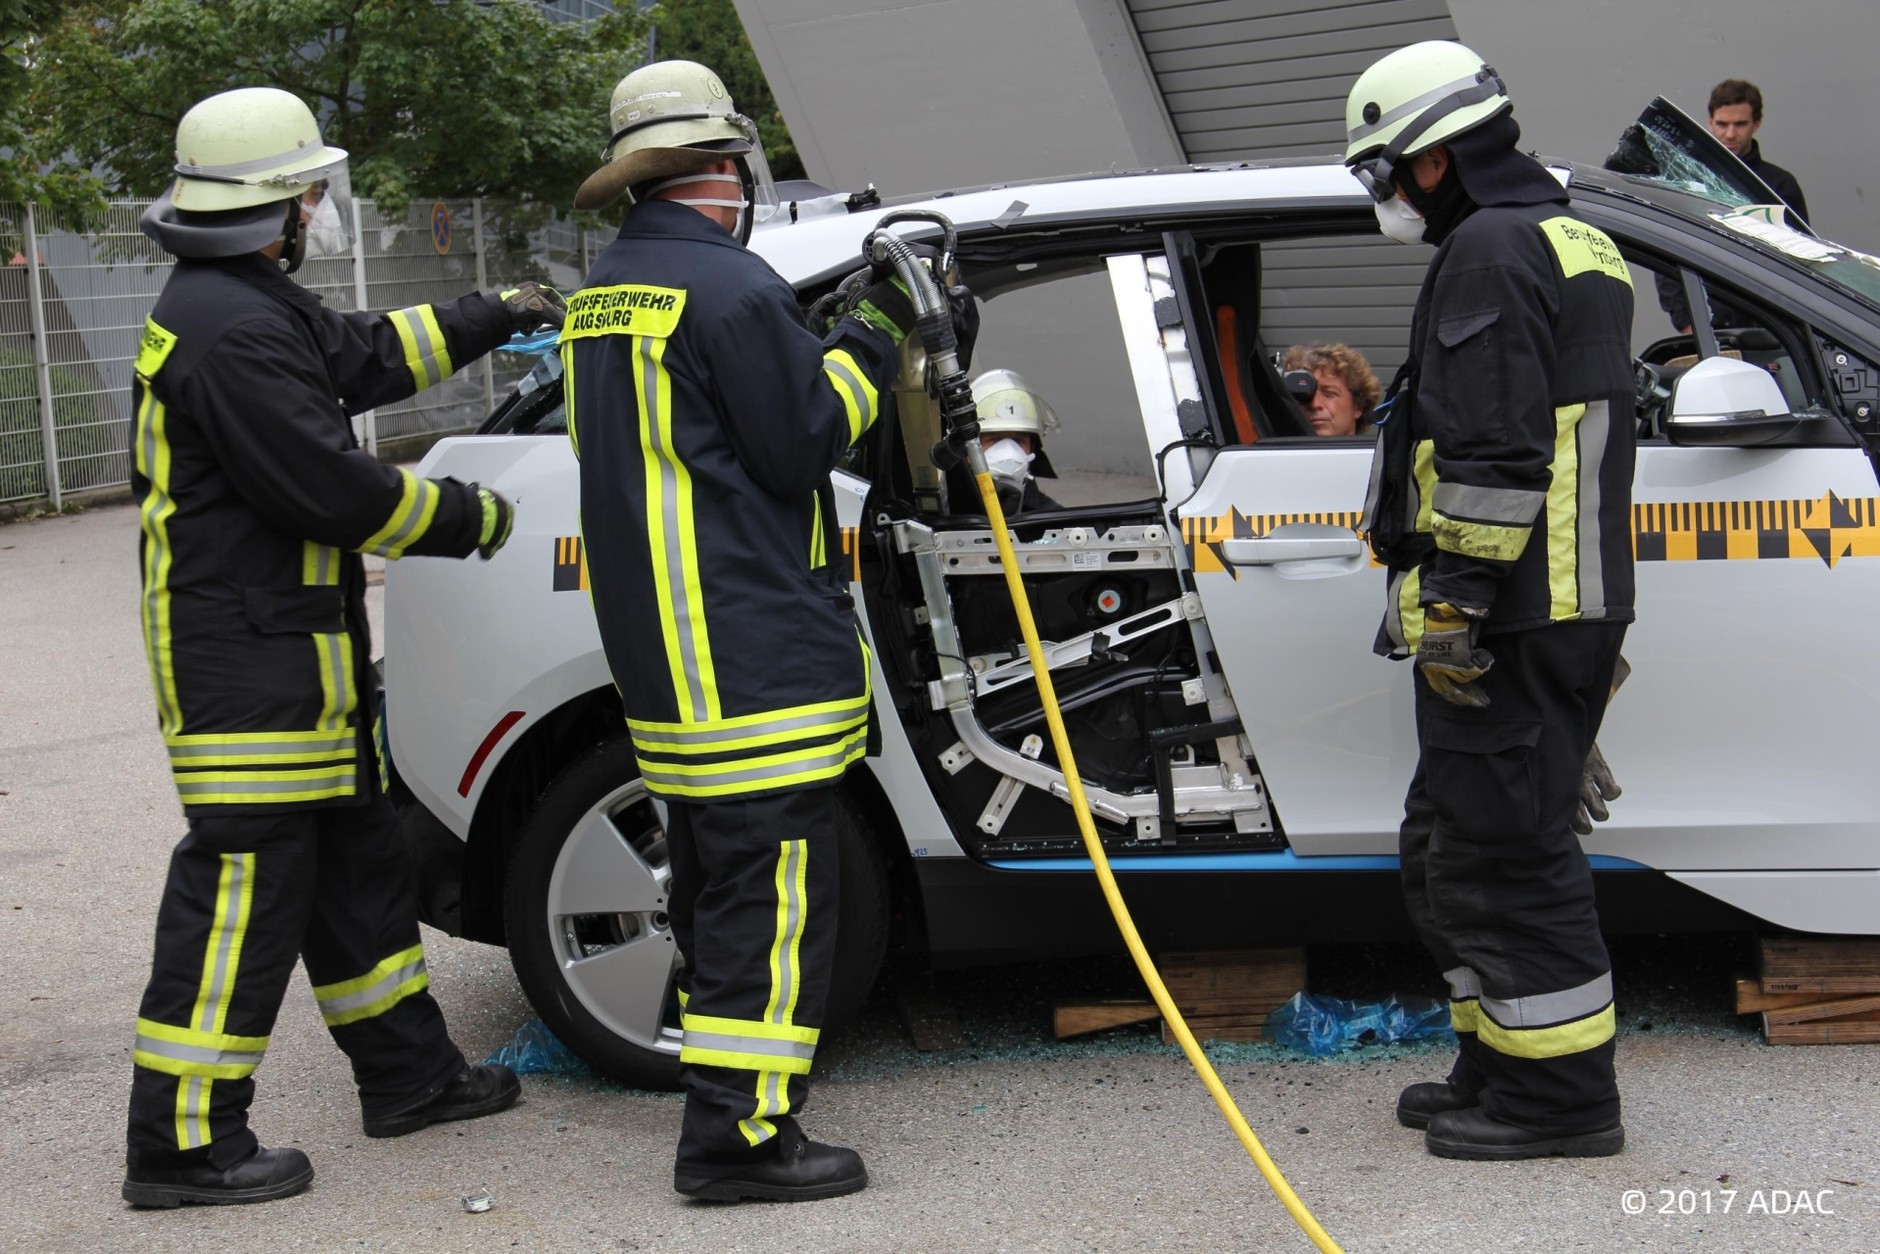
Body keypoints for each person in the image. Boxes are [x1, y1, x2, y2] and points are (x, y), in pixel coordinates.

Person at [123, 88, 563, 1207]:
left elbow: (364, 354)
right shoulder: (230, 329)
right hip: (240, 655)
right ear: (272, 205)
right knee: (243, 891)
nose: (320, 208)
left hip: (289, 646)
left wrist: (488, 312)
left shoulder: (244, 298)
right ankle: (182, 1146)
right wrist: (477, 518)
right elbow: (329, 490)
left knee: (358, 864)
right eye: (310, 192)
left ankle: (409, 1078)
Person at [562, 60, 925, 1203]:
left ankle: (729, 1113)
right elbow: (804, 437)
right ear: (722, 170)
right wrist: (876, 332)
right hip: (750, 649)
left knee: (723, 896)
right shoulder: (731, 292)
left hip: (668, 662)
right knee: (773, 906)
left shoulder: (609, 292)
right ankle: (739, 1144)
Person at [1344, 41, 1636, 1160]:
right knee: (1453, 842)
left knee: (1503, 856)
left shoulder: (1485, 248)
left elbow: (1490, 453)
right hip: (1562, 604)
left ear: (1427, 158)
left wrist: (1455, 606)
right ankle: (1500, 1062)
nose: (1385, 197)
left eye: (1382, 171)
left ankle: (1559, 1103)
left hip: (1508, 612)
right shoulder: (1577, 239)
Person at [952, 368, 1063, 513]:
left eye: (1018, 441)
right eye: (995, 439)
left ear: (1032, 448)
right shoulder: (944, 513)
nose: (1008, 450)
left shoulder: (1048, 518)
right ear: (965, 450)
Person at [1707, 78, 1809, 225]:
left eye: (1740, 124)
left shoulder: (1781, 185)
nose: (1730, 134)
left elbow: (1800, 244)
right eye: (1722, 124)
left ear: (1756, 124)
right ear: (1710, 123)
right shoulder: (1685, 174)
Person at [1281, 343, 1382, 436]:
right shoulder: (1275, 454)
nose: (1315, 404)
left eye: (1328, 393)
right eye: (1304, 395)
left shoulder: (1379, 455)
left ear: (1358, 406)